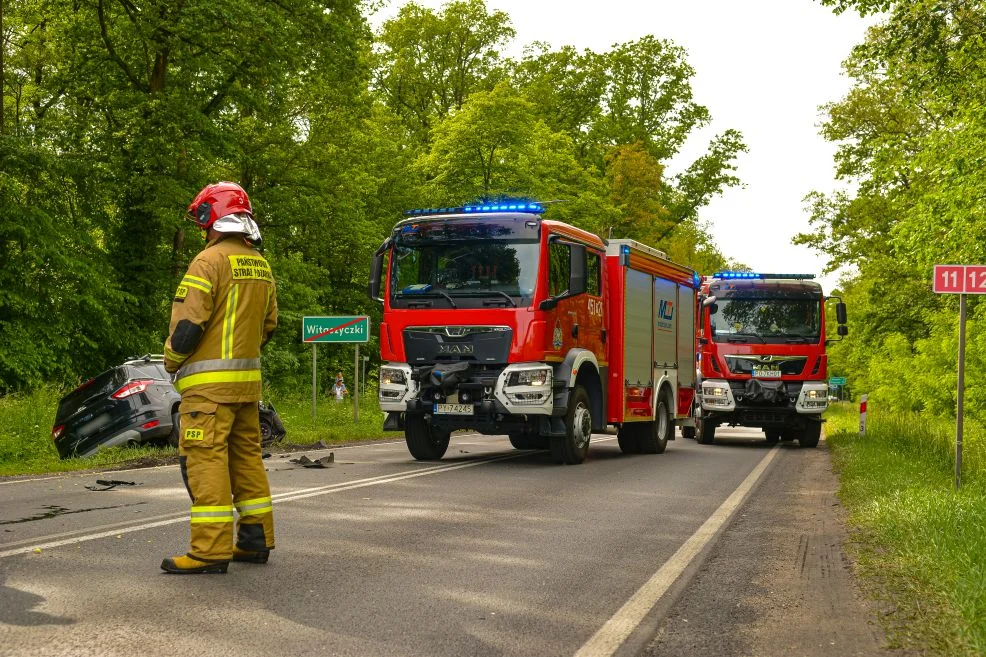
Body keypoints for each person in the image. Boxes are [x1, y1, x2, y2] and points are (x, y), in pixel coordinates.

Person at [161, 181, 278, 574]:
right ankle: (254, 540)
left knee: (205, 460)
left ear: (212, 216)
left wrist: (171, 361)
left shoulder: (207, 262)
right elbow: (269, 326)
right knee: (247, 459)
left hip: (208, 392)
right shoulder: (259, 264)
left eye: (202, 218)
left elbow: (188, 328)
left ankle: (209, 550)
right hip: (247, 388)